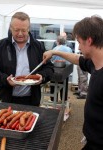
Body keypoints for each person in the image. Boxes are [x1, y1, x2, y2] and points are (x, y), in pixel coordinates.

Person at [43, 15, 103, 149]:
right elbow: (77, 58)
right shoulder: (94, 63)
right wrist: (53, 52)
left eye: (79, 42)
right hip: (91, 139)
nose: (79, 47)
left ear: (89, 41)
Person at [0, 12, 54, 106]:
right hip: (5, 100)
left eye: (24, 30)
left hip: (31, 100)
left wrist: (42, 76)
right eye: (16, 30)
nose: (20, 34)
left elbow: (49, 68)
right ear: (10, 28)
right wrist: (5, 79)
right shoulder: (0, 45)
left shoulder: (38, 46)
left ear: (29, 28)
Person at [50, 36, 72, 102]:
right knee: (64, 85)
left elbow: (52, 59)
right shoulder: (69, 49)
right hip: (65, 69)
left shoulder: (55, 49)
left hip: (55, 70)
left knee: (53, 85)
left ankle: (53, 99)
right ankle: (63, 99)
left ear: (58, 42)